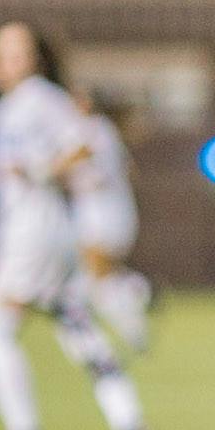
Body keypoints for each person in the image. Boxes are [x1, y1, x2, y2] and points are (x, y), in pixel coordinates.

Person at [0, 22, 155, 430]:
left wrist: (42, 168)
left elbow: (84, 143)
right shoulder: (13, 107)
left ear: (36, 59)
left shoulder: (40, 99)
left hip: (30, 237)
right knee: (77, 328)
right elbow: (21, 171)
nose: (2, 62)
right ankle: (130, 426)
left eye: (13, 53)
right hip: (53, 234)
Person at [70, 88, 152, 352]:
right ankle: (135, 300)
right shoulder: (108, 132)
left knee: (95, 283)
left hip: (101, 215)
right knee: (96, 279)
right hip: (117, 212)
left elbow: (71, 160)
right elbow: (131, 171)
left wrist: (40, 169)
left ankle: (140, 294)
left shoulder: (92, 129)